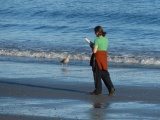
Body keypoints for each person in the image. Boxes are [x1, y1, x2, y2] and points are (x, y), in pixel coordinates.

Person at [90, 26, 115, 96]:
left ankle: (98, 91)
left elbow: (95, 51)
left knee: (97, 75)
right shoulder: (106, 39)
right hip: (103, 57)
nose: (95, 33)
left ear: (98, 32)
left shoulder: (97, 40)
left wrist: (91, 46)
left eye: (95, 32)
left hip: (97, 58)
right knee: (104, 73)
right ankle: (111, 87)